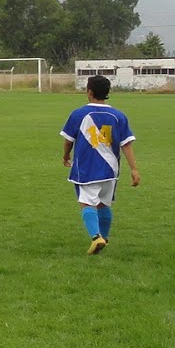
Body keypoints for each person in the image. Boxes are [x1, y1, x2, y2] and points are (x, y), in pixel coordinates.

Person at [61, 74, 139, 255]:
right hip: (111, 169)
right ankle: (104, 237)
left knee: (86, 203)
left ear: (89, 92)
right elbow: (126, 144)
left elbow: (68, 140)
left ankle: (97, 238)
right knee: (104, 204)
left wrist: (65, 156)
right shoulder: (118, 116)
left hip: (87, 168)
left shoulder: (79, 114)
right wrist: (134, 169)